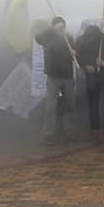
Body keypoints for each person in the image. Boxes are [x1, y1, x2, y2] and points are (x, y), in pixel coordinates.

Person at [34, 16, 79, 145]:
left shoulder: (68, 38)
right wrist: (52, 30)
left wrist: (74, 53)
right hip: (53, 76)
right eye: (59, 26)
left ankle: (70, 131)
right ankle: (48, 134)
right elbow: (37, 37)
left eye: (63, 26)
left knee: (70, 105)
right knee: (51, 107)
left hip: (68, 76)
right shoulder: (48, 38)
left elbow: (74, 55)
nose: (62, 29)